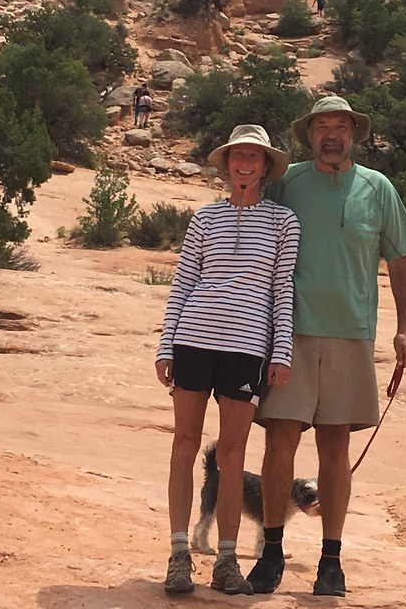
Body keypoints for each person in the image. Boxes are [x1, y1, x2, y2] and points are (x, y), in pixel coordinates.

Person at [247, 96, 406, 598]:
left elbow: (401, 261)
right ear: (309, 135)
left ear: (354, 135)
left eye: (340, 127)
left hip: (351, 334)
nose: (331, 134)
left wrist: (404, 328)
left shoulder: (378, 188)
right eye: (322, 126)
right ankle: (273, 552)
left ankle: (331, 561)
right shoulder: (287, 183)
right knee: (280, 441)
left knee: (335, 446)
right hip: (290, 333)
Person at [155, 124, 300, 596]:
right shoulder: (204, 218)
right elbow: (183, 283)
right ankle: (179, 555)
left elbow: (282, 291)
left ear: (265, 168)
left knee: (233, 457)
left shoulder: (283, 222)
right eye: (237, 156)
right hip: (195, 340)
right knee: (184, 443)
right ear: (226, 164)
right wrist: (165, 345)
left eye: (253, 158)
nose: (244, 164)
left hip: (246, 348)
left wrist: (280, 353)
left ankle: (227, 560)